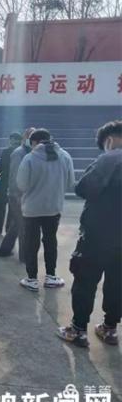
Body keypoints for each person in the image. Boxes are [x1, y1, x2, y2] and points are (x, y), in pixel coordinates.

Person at [57, 120, 122, 347]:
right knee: (117, 283)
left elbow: (83, 188)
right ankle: (110, 329)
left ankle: (78, 330)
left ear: (109, 140)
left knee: (85, 281)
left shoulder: (109, 159)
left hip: (98, 236)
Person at [17, 128, 75, 292]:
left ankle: (32, 279)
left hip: (32, 209)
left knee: (31, 243)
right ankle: (51, 276)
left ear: (34, 142)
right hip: (53, 208)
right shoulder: (65, 156)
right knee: (50, 241)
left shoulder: (29, 158)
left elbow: (22, 184)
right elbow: (70, 182)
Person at [0, 127, 35, 260]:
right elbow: (15, 176)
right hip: (17, 195)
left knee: (17, 224)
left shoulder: (31, 153)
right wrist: (17, 194)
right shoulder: (19, 153)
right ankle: (24, 256)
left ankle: (5, 249)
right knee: (24, 227)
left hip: (26, 195)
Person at [0, 132, 22, 235]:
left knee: (0, 206)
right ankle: (9, 229)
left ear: (12, 140)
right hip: (18, 182)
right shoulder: (24, 152)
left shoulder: (7, 151)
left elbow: (0, 167)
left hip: (5, 181)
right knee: (13, 208)